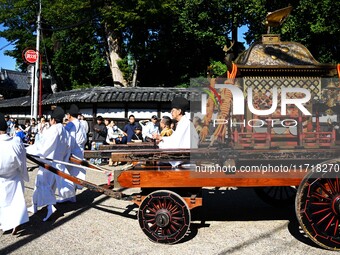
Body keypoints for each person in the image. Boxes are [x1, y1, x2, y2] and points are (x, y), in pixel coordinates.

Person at [26, 107, 73, 221]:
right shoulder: (65, 131)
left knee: (43, 185)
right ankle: (35, 205)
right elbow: (67, 149)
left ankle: (50, 207)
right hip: (58, 163)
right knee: (48, 186)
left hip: (48, 163)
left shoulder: (53, 130)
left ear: (52, 120)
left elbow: (43, 147)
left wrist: (28, 151)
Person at [0, 113, 29, 235]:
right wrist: (23, 174)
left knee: (3, 201)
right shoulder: (16, 142)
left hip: (1, 177)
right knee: (15, 200)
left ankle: (4, 222)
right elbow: (22, 161)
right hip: (13, 176)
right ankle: (15, 222)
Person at [62, 104, 87, 202]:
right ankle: (72, 195)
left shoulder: (71, 124)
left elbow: (70, 140)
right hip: (80, 150)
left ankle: (69, 196)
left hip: (72, 151)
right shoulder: (81, 123)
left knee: (68, 173)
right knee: (75, 173)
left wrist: (67, 152)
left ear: (69, 115)